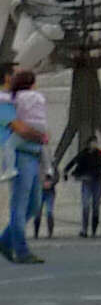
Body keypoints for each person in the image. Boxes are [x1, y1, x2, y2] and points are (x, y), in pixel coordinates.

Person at [2, 65, 45, 266]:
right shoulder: (4, 103)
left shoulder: (15, 100)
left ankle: (4, 241)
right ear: (7, 77)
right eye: (14, 73)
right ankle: (21, 249)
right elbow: (20, 130)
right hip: (20, 154)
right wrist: (41, 136)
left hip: (32, 154)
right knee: (19, 205)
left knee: (34, 204)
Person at [69, 130, 101, 237]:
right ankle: (84, 229)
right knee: (86, 205)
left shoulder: (100, 153)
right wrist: (66, 171)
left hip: (97, 182)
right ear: (89, 143)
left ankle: (94, 230)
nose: (94, 145)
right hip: (87, 182)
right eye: (93, 142)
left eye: (96, 143)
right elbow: (74, 162)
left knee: (96, 206)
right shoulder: (84, 154)